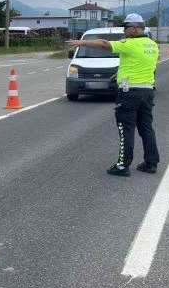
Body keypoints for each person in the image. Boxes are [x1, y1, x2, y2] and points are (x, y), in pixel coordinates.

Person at [66, 13, 160, 177]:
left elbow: (104, 44)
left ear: (135, 28)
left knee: (126, 128)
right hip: (147, 91)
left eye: (126, 27)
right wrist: (119, 74)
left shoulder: (130, 43)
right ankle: (151, 163)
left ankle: (123, 166)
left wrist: (82, 42)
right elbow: (141, 64)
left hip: (129, 92)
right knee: (146, 128)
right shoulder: (152, 45)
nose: (125, 31)